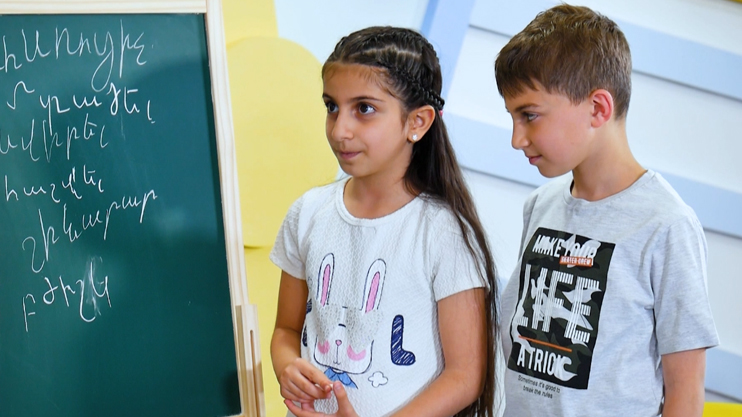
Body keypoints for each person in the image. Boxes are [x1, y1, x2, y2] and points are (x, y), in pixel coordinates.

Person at [493, 4, 719, 416]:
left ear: (598, 108)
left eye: (529, 115)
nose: (516, 139)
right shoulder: (540, 206)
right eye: (512, 117)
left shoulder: (667, 225)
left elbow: (686, 393)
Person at [270, 27, 499, 417]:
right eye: (332, 107)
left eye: (364, 108)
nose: (340, 130)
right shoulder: (307, 213)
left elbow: (465, 376)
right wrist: (287, 366)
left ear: (418, 122)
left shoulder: (443, 233)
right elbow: (286, 331)